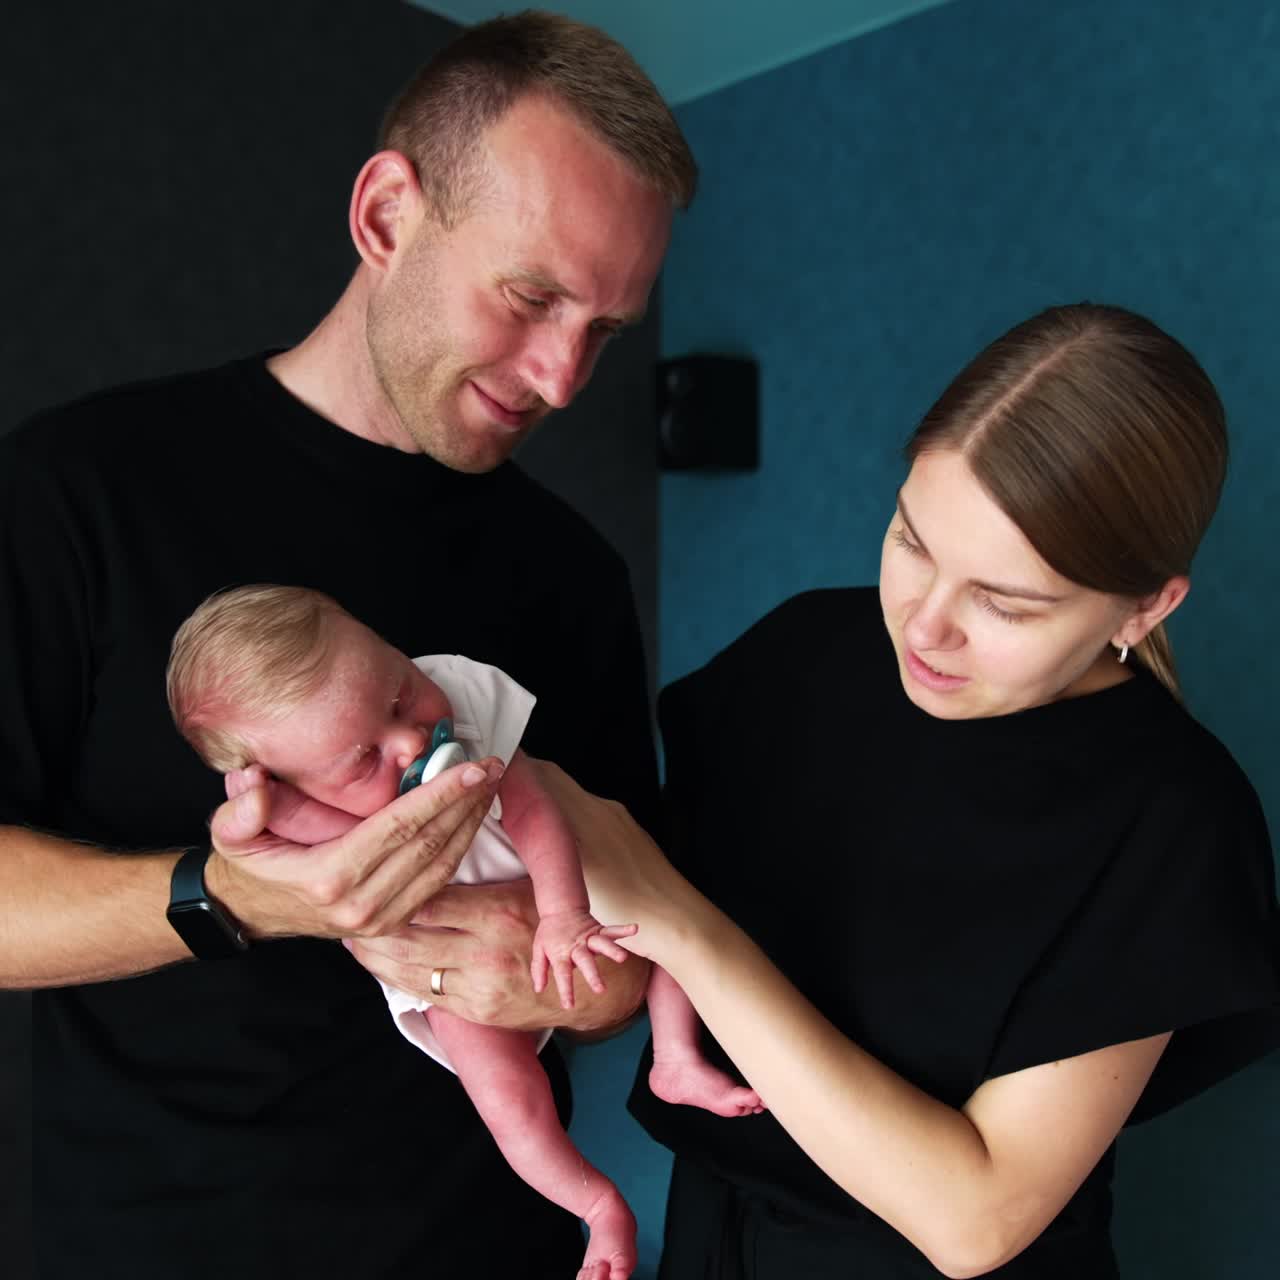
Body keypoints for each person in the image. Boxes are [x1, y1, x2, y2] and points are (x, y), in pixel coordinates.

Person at [0, 12, 696, 1279]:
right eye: (533, 296)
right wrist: (232, 899)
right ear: (385, 216)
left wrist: (564, 981)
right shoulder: (80, 491)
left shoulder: (571, 577)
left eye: (604, 329)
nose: (560, 375)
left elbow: (620, 961)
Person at [473, 302, 1280, 1278]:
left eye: (1004, 601)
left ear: (1146, 605)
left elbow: (972, 1220)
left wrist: (682, 922)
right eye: (910, 539)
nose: (925, 626)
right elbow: (619, 965)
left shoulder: (1172, 822)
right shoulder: (800, 654)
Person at [166, 585, 764, 1278]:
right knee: (509, 1100)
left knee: (664, 913)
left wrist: (565, 914)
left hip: (552, 878)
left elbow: (537, 813)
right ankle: (599, 1205)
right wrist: (248, 827)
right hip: (437, 959)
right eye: (365, 759)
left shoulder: (460, 697)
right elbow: (269, 853)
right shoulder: (297, 804)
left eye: (399, 692)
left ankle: (675, 1058)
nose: (414, 739)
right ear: (279, 781)